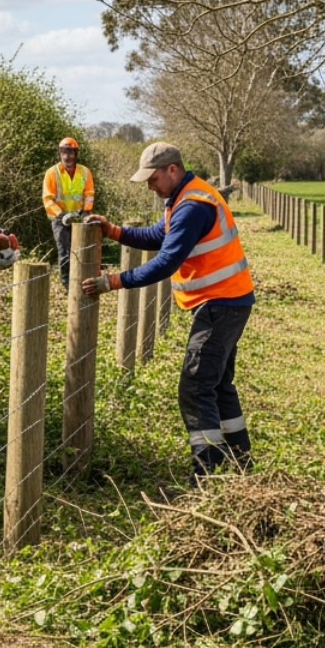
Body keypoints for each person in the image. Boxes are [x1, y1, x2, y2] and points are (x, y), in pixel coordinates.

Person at [81, 142, 255, 479]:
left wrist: (113, 281)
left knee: (195, 386)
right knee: (217, 385)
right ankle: (239, 463)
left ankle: (206, 475)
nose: (149, 185)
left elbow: (166, 262)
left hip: (220, 305)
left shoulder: (192, 206)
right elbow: (161, 235)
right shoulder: (185, 196)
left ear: (172, 170)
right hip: (229, 301)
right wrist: (115, 231)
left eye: (153, 178)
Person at [42, 137, 94, 286]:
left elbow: (89, 194)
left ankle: (81, 280)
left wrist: (86, 211)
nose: (67, 157)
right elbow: (47, 199)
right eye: (64, 153)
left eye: (70, 153)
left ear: (76, 154)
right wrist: (61, 214)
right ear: (60, 153)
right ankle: (66, 283)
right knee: (64, 253)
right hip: (60, 220)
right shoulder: (52, 173)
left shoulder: (85, 172)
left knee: (81, 250)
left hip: (79, 217)